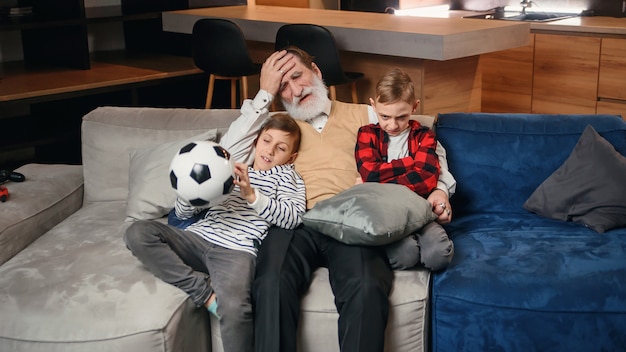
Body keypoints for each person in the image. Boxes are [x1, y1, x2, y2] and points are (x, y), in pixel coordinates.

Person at [217, 46, 456, 352]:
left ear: (316, 72)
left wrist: (440, 189)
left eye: (297, 76)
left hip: (352, 220)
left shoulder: (366, 114)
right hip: (295, 221)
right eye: (283, 87)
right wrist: (263, 94)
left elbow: (426, 148)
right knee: (270, 283)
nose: (295, 90)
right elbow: (225, 158)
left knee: (367, 287)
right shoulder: (276, 128)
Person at [123, 113, 306, 352]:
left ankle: (216, 301)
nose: (270, 151)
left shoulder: (288, 177)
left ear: (291, 157)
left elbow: (293, 218)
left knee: (236, 309)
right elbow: (185, 214)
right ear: (256, 141)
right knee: (137, 233)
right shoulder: (231, 168)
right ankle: (204, 295)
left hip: (238, 251)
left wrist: (252, 195)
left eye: (280, 148)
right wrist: (191, 193)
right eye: (266, 141)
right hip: (199, 237)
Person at [355, 68, 454, 271]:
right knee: (405, 256)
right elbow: (369, 173)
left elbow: (426, 178)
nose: (392, 125)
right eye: (385, 116)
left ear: (414, 107)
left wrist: (379, 184)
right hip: (386, 214)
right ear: (373, 106)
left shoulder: (424, 136)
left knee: (438, 255)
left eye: (401, 117)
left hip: (421, 211)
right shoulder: (367, 134)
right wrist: (411, 162)